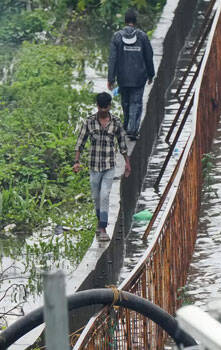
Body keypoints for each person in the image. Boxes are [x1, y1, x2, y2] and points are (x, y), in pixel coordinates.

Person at [74, 92, 131, 241]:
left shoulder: (116, 122)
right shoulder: (89, 122)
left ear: (109, 106)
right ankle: (100, 222)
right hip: (94, 165)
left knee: (105, 195)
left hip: (109, 165)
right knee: (96, 196)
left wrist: (127, 163)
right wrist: (76, 161)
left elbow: (122, 144)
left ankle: (103, 227)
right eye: (101, 108)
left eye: (106, 108)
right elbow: (80, 142)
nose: (104, 111)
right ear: (98, 106)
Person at [107, 9, 155, 140]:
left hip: (123, 78)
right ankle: (132, 130)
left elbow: (112, 59)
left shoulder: (117, 37)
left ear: (125, 21)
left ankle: (128, 126)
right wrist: (151, 74)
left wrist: (111, 79)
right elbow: (149, 57)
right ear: (135, 21)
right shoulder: (142, 37)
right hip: (139, 77)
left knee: (126, 103)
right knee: (136, 103)